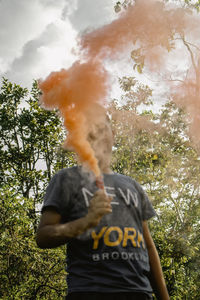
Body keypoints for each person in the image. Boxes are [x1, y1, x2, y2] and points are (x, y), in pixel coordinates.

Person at [36, 105, 170, 300]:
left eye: (101, 128)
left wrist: (164, 297)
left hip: (139, 293)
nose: (96, 135)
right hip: (90, 292)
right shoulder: (66, 179)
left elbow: (148, 246)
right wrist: (85, 222)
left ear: (112, 133)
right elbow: (43, 236)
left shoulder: (132, 185)